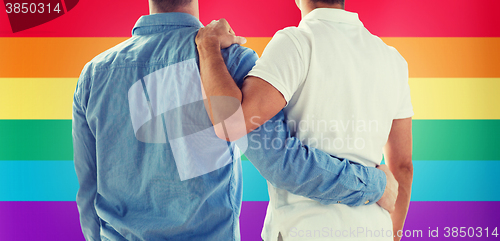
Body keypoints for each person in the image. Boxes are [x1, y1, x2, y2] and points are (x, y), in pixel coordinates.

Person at [72, 0, 396, 240]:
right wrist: (374, 184)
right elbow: (282, 162)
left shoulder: (93, 75)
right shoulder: (230, 61)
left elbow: (87, 190)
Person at [196, 0, 413, 241]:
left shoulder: (297, 43)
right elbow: (403, 167)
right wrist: (391, 234)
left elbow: (232, 123)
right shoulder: (393, 61)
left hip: (303, 229)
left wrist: (208, 47)